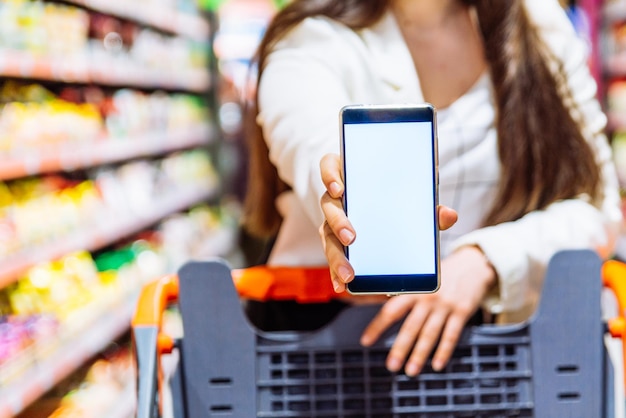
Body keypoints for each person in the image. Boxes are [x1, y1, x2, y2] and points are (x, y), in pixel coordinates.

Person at [242, 0, 623, 376]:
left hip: (491, 355)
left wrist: (486, 259)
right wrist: (336, 192)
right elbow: (307, 141)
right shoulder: (310, 36)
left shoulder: (537, 23)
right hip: (325, 347)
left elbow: (596, 208)